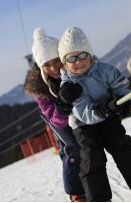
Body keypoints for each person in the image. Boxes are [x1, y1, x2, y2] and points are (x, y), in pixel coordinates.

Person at [57, 27, 131, 202]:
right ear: (64, 62)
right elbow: (83, 112)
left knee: (123, 146)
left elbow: (120, 85)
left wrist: (122, 100)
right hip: (84, 127)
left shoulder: (105, 70)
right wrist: (105, 109)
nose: (78, 61)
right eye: (71, 58)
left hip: (109, 119)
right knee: (92, 159)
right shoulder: (69, 86)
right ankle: (99, 199)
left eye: (82, 55)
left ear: (90, 54)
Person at [24, 28, 86, 202]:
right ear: (40, 66)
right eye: (46, 64)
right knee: (71, 146)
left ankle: (91, 181)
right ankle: (76, 192)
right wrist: (63, 105)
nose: (53, 68)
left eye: (56, 61)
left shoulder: (73, 67)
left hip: (75, 112)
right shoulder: (40, 88)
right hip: (55, 116)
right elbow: (55, 119)